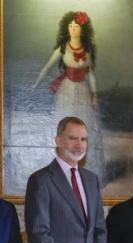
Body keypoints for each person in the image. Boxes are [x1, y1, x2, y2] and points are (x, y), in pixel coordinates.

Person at [32, 11, 103, 172]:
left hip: (82, 91)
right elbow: (46, 68)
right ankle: (63, 167)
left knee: (83, 125)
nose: (73, 29)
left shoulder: (87, 51)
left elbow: (91, 74)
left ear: (82, 30)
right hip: (66, 89)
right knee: (65, 125)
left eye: (76, 26)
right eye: (70, 26)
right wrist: (35, 85)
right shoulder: (63, 48)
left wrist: (94, 95)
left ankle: (83, 168)